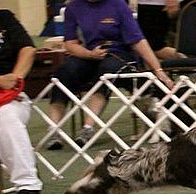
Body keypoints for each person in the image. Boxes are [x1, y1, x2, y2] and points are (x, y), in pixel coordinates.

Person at [47, 0, 175, 150]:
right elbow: (70, 44)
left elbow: (138, 40)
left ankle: (88, 128)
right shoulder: (73, 7)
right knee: (64, 71)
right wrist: (89, 54)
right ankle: (53, 130)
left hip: (119, 54)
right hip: (89, 54)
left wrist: (157, 70)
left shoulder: (118, 5)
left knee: (106, 71)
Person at [0, 0, 43, 194]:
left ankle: (28, 185)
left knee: (6, 118)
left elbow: (28, 49)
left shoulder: (4, 18)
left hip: (6, 97)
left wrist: (14, 80)